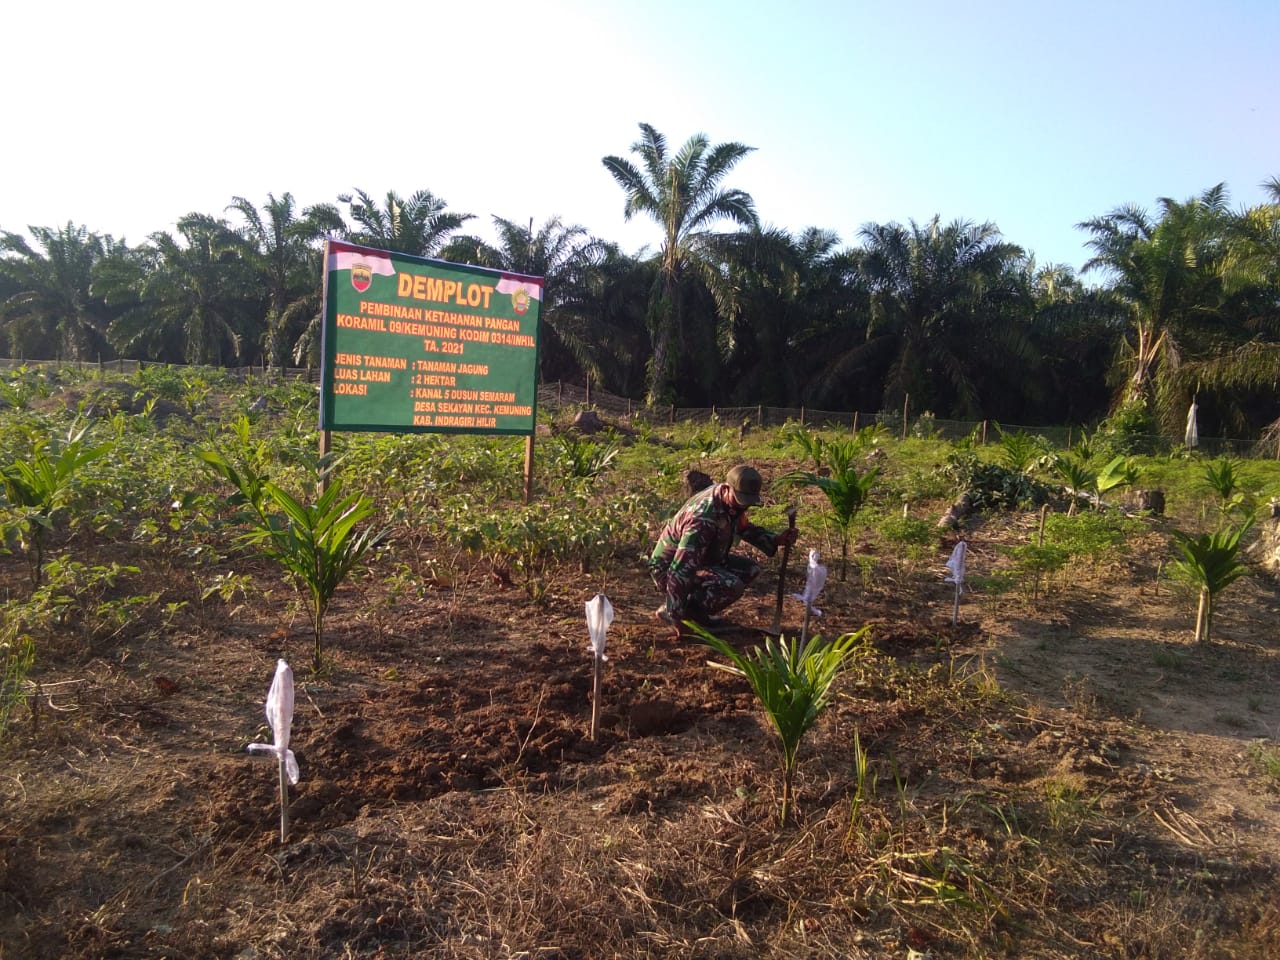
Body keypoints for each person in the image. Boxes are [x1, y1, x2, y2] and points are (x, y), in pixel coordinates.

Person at [649, 464, 798, 629]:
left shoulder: (730, 503)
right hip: (668, 568)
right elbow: (680, 569)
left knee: (750, 570)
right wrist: (675, 617)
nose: (744, 506)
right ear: (727, 488)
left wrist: (776, 539)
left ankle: (695, 613)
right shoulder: (702, 520)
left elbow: (744, 528)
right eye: (741, 500)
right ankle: (679, 612)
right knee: (731, 585)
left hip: (703, 559)